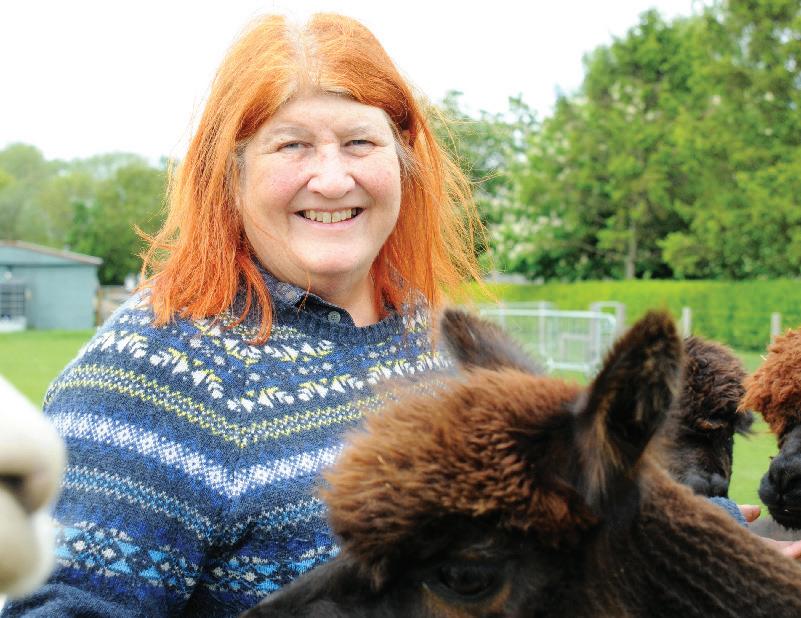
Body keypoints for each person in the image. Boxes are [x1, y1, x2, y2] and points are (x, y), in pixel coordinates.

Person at [1, 12, 484, 617]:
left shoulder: (438, 341)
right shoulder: (152, 376)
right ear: (230, 173)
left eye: (360, 142)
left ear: (404, 159)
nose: (333, 180)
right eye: (292, 145)